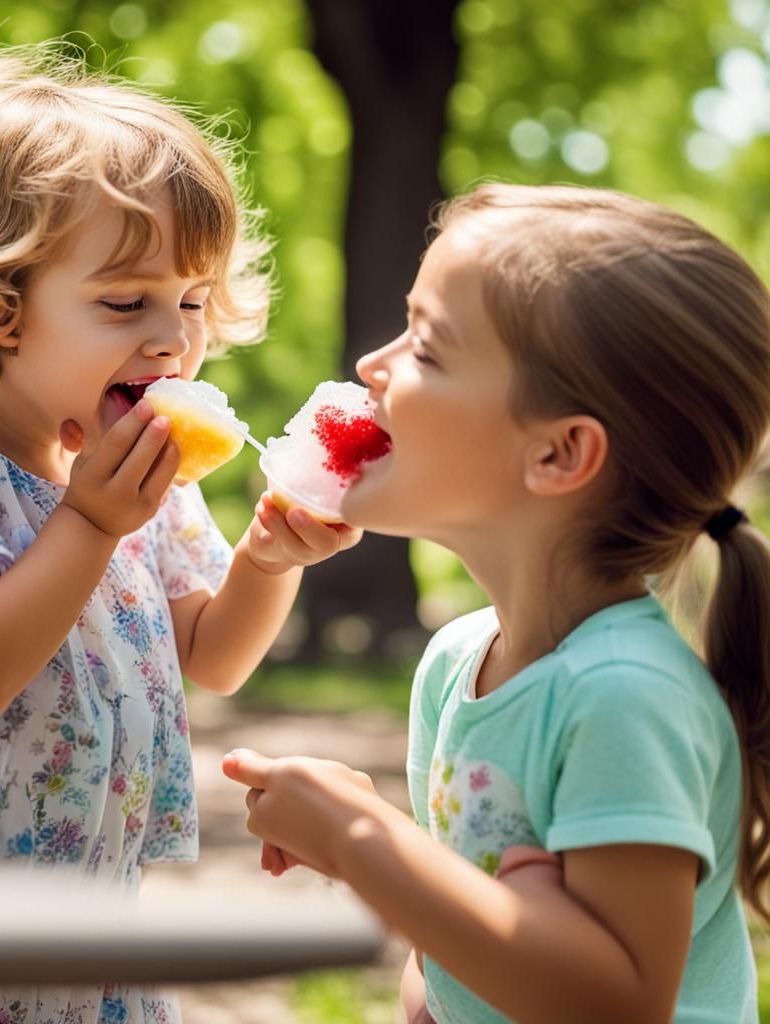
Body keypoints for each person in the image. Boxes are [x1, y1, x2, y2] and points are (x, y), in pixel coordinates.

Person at [0, 44, 360, 1024]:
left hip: (85, 903)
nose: (170, 336)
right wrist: (87, 522)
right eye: (124, 302)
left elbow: (209, 656)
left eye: (191, 301)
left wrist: (266, 556)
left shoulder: (146, 482)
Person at [223, 182, 770, 1023]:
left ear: (558, 453)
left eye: (427, 349)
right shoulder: (457, 663)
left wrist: (367, 843)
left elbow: (615, 1001)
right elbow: (467, 951)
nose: (373, 365)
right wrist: (374, 841)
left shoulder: (626, 695)